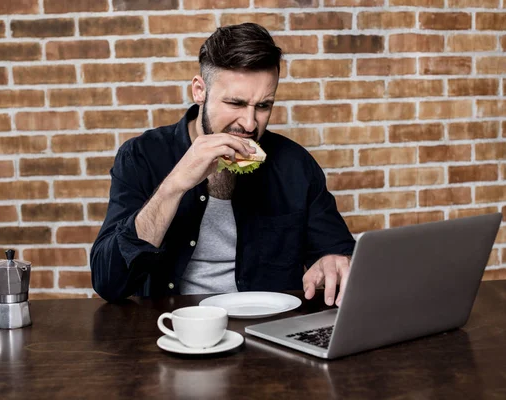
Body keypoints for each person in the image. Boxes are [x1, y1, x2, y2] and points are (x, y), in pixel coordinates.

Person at [90, 23, 356, 305]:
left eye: (263, 106)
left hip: (268, 330)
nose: (250, 123)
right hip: (173, 327)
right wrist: (175, 185)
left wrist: (334, 263)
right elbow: (109, 282)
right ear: (199, 91)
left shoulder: (295, 165)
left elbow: (337, 254)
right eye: (235, 103)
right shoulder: (142, 156)